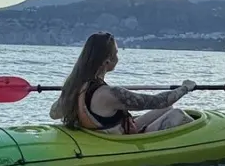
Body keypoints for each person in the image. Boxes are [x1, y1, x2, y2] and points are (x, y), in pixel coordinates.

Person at [51, 32, 197, 134]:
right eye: (116, 53)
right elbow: (158, 101)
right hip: (122, 141)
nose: (118, 58)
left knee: (168, 108)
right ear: (107, 60)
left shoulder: (75, 87)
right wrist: (185, 88)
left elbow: (54, 113)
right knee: (177, 114)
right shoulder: (110, 94)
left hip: (105, 133)